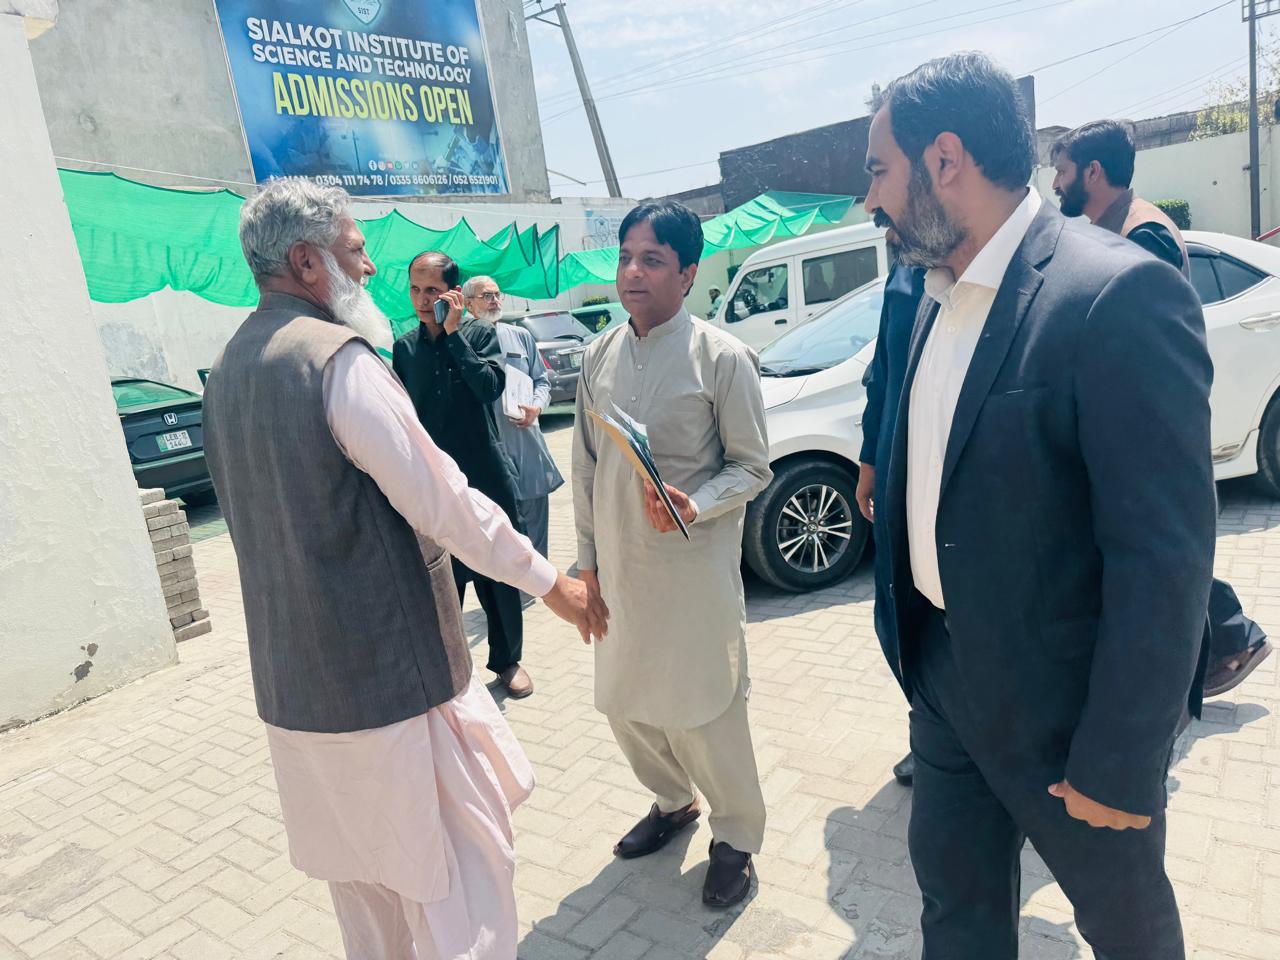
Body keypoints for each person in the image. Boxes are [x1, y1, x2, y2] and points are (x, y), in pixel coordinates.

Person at [201, 178, 606, 960]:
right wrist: (551, 582)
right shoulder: (336, 363)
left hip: (298, 695)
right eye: (356, 251)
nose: (371, 269)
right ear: (307, 262)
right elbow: (444, 502)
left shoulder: (230, 370)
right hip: (388, 692)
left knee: (369, 901)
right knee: (460, 887)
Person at [865, 54, 1214, 957]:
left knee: (1129, 933)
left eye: (880, 171)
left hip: (1068, 717)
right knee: (957, 919)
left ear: (945, 161)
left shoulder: (1115, 294)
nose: (870, 201)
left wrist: (1122, 761)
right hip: (943, 682)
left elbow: (1163, 554)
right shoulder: (930, 293)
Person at [572, 200, 773, 908]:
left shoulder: (722, 358)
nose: (632, 272)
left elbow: (753, 467)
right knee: (623, 702)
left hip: (692, 575)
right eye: (626, 257)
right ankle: (672, 801)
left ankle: (737, 836)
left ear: (688, 274)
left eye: (652, 260)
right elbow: (586, 465)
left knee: (705, 708)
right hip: (619, 569)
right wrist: (586, 564)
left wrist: (697, 503)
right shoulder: (598, 354)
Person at [1051, 119, 1272, 699]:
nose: (1055, 182)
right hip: (1139, 419)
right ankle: (1222, 642)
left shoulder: (1142, 235)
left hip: (1151, 423)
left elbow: (1135, 341)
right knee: (1155, 546)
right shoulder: (1117, 227)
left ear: (1093, 172)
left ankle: (1228, 640)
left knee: (1162, 547)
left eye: (1063, 170)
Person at [393, 253, 536, 699]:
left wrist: (454, 334)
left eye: (432, 291)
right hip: (435, 482)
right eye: (416, 290)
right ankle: (452, 669)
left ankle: (508, 661)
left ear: (453, 294)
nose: (422, 299)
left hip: (485, 473)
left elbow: (490, 388)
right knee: (443, 575)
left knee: (499, 569)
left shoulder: (478, 334)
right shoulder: (405, 349)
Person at [854, 257, 927, 788]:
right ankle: (929, 727)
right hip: (897, 472)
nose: (877, 215)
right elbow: (881, 373)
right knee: (896, 612)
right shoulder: (904, 273)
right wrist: (869, 463)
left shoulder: (968, 266)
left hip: (951, 475)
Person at [462, 274, 564, 579]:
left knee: (536, 523)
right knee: (501, 529)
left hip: (525, 442)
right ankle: (513, 589)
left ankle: (541, 586)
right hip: (488, 449)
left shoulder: (520, 336)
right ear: (468, 304)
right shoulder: (460, 341)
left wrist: (537, 407)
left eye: (497, 294)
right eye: (486, 296)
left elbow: (541, 381)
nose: (494, 301)